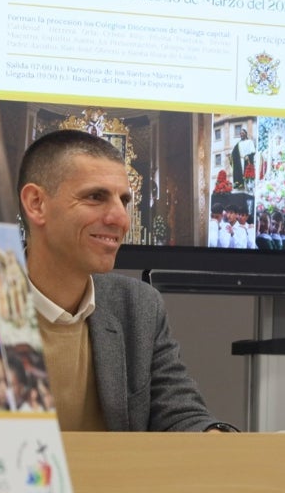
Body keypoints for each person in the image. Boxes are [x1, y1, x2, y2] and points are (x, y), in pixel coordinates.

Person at [18, 129, 234, 432]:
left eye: (124, 200)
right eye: (95, 197)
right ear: (36, 203)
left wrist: (214, 439)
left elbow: (181, 415)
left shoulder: (138, 306)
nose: (121, 219)